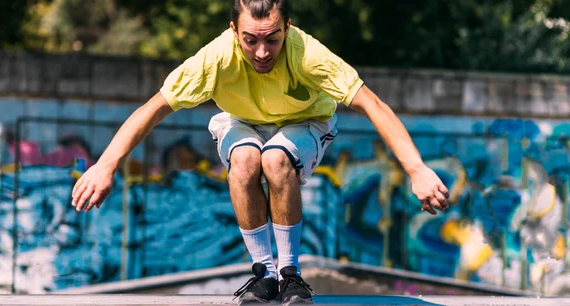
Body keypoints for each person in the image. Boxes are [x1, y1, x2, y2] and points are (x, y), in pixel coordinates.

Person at [71, 0, 450, 304]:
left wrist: (416, 169)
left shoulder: (308, 55)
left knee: (275, 158)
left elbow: (373, 105)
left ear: (287, 27)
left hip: (307, 122)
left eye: (273, 38)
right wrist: (106, 166)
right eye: (251, 40)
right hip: (243, 121)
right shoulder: (215, 58)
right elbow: (153, 108)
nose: (263, 52)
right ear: (234, 30)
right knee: (247, 158)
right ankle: (263, 274)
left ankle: (289, 274)